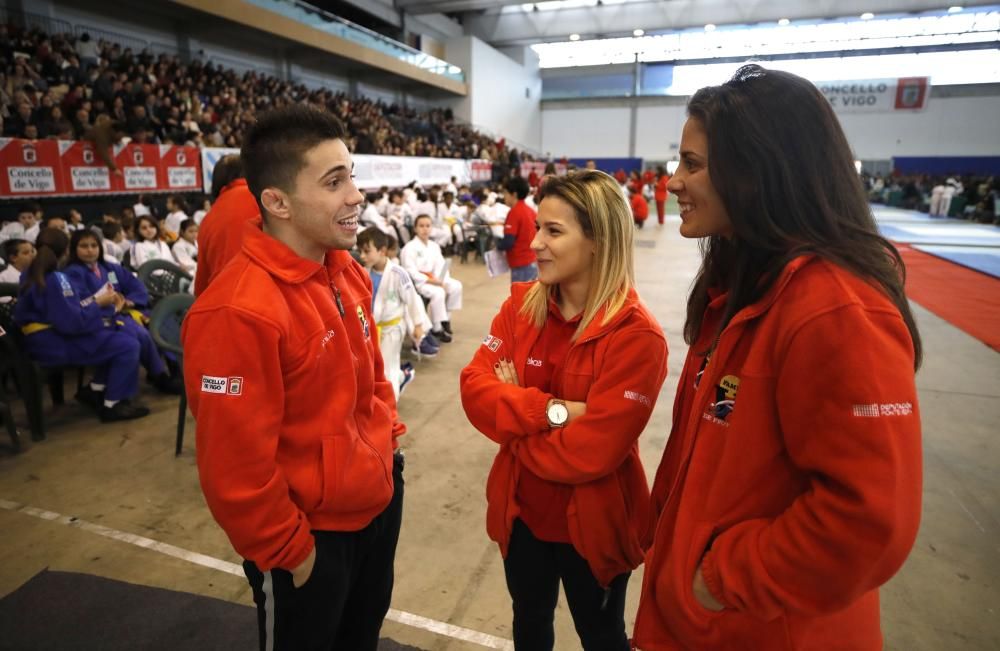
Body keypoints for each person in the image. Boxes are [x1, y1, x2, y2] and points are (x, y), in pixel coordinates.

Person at [632, 65, 923, 651]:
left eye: (692, 164)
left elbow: (869, 524)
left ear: (757, 170)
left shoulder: (834, 310)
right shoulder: (738, 291)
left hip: (760, 628)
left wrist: (716, 578)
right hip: (701, 623)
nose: (673, 184)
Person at [182, 105, 405, 651]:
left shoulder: (344, 268)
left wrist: (389, 447)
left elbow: (373, 374)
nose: (356, 194)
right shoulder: (238, 310)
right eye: (335, 181)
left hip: (376, 506)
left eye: (351, 174)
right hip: (310, 540)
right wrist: (294, 554)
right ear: (277, 202)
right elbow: (235, 469)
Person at [459, 170, 669, 651]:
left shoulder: (637, 337)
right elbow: (474, 389)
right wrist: (555, 412)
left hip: (592, 532)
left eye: (553, 231)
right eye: (539, 227)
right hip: (522, 518)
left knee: (601, 636)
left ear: (598, 240)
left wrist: (513, 420)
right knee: (529, 625)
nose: (535, 244)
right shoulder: (519, 307)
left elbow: (592, 454)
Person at [13, 228, 149, 422]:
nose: (90, 250)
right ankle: (114, 404)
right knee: (127, 345)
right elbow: (72, 322)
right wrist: (100, 304)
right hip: (53, 343)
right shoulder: (57, 278)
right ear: (67, 250)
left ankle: (96, 388)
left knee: (111, 333)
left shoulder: (31, 273)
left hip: (37, 339)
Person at [63, 229, 181, 396]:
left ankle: (177, 369)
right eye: (84, 246)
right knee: (140, 333)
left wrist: (129, 300)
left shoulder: (110, 268)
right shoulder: (72, 273)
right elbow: (81, 303)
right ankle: (158, 375)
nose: (90, 250)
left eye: (94, 245)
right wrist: (110, 304)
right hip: (104, 317)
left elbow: (136, 286)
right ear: (74, 249)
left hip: (128, 310)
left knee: (163, 321)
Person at [357, 228, 434, 396]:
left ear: (382, 251)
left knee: (388, 367)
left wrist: (418, 324)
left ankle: (390, 409)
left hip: (393, 328)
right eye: (360, 251)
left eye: (366, 251)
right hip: (372, 328)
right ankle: (402, 376)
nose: (362, 256)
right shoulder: (364, 272)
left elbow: (412, 299)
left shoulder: (398, 273)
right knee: (376, 365)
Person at [193, 154, 261, 295]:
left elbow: (201, 287)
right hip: (267, 298)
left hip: (224, 301)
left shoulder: (207, 220)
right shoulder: (265, 198)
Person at [400, 214, 462, 343]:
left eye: (428, 226)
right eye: (421, 226)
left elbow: (440, 265)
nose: (425, 229)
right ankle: (436, 328)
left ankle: (446, 319)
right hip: (420, 282)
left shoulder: (434, 246)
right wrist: (432, 282)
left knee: (456, 286)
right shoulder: (409, 248)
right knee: (438, 293)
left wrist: (441, 281)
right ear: (415, 229)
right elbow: (409, 270)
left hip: (436, 278)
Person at [497, 176, 538, 283]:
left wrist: (497, 245)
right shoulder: (531, 211)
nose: (504, 196)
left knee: (519, 298)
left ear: (514, 194)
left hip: (520, 264)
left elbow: (508, 242)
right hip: (532, 261)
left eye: (505, 193)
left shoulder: (514, 213)